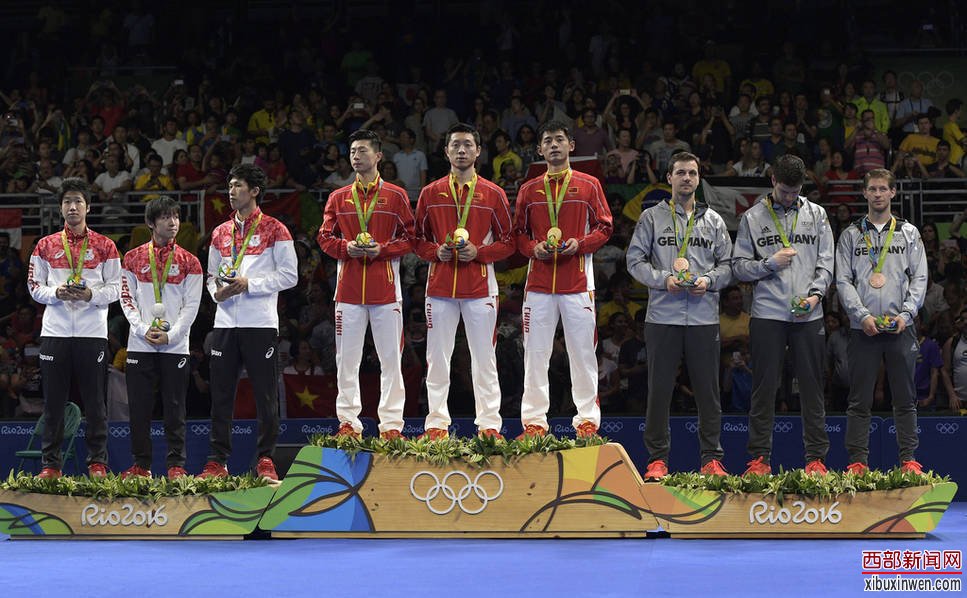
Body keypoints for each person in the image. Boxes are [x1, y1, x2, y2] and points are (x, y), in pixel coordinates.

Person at [626, 152, 733, 479]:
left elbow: (728, 266)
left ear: (698, 179)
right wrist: (663, 280)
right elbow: (634, 260)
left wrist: (708, 281)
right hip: (662, 316)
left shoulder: (714, 220)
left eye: (692, 173)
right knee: (659, 390)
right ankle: (657, 459)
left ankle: (711, 459)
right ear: (669, 178)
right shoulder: (651, 218)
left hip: (703, 318)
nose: (687, 178)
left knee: (708, 391)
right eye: (681, 173)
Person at [732, 155, 835, 476]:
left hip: (808, 313)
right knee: (764, 387)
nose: (790, 197)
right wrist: (769, 264)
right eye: (784, 190)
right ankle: (759, 459)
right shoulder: (752, 217)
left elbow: (826, 263)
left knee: (812, 386)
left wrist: (816, 296)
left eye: (795, 191)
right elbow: (738, 267)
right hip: (768, 313)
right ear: (773, 180)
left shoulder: (817, 214)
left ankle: (816, 459)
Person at [413, 123, 514, 439]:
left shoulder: (493, 193)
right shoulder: (430, 193)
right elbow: (416, 239)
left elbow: (509, 241)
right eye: (455, 145)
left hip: (480, 287)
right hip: (440, 287)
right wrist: (435, 251)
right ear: (446, 152)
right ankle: (436, 425)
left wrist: (479, 252)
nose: (461, 150)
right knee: (437, 359)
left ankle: (489, 425)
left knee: (484, 358)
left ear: (478, 151)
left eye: (467, 144)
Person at [513, 119, 613, 439]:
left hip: (578, 282)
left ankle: (586, 422)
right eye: (548, 141)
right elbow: (518, 234)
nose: (554, 145)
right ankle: (534, 423)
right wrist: (533, 248)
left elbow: (605, 226)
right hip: (539, 283)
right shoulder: (529, 189)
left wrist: (580, 244)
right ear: (539, 149)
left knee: (582, 353)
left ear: (571, 145)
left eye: (559, 139)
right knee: (535, 354)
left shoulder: (589, 184)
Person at [202, 164, 297, 480]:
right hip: (225, 324)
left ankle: (266, 460)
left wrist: (250, 284)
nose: (231, 191)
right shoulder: (220, 232)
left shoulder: (275, 229)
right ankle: (217, 461)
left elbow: (290, 275)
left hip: (260, 323)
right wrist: (217, 292)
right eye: (229, 185)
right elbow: (211, 276)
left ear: (255, 191)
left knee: (265, 395)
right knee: (221, 396)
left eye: (238, 186)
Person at [317, 129, 414, 439]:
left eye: (362, 150)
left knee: (391, 360)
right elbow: (324, 237)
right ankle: (348, 423)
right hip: (348, 292)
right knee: (346, 360)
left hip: (386, 291)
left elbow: (411, 238)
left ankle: (392, 426)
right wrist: (346, 247)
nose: (356, 156)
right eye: (352, 151)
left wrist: (381, 250)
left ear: (378, 156)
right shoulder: (338, 197)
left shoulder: (396, 196)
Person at [26, 178, 121, 478]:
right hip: (55, 333)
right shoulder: (45, 245)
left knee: (95, 402)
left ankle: (98, 462)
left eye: (78, 201)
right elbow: (33, 286)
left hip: (92, 334)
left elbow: (116, 288)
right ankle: (51, 465)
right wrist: (56, 293)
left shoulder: (105, 246)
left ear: (88, 207)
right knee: (53, 402)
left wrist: (90, 294)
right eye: (67, 201)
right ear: (60, 208)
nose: (72, 207)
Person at [835, 168, 927, 474]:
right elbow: (843, 281)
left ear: (892, 192)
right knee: (859, 399)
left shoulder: (908, 233)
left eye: (882, 189)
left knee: (905, 398)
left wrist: (907, 313)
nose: (877, 194)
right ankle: (857, 462)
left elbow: (920, 277)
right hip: (863, 328)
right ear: (864, 193)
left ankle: (909, 461)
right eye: (872, 189)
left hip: (900, 326)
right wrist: (861, 315)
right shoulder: (850, 235)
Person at [119, 196, 202, 479]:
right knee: (139, 408)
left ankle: (176, 465)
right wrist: (143, 329)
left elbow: (192, 306)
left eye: (176, 216)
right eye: (166, 217)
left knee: (175, 407)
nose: (173, 222)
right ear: (151, 223)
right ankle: (141, 466)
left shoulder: (190, 262)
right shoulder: (132, 258)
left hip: (175, 346)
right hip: (140, 344)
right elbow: (126, 299)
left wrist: (172, 336)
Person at [941, 307, 967, 412]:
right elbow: (944, 371)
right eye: (963, 319)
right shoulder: (952, 343)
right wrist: (952, 395)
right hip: (960, 402)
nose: (966, 322)